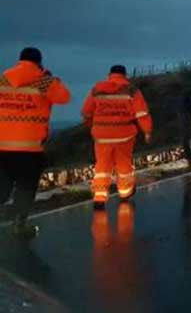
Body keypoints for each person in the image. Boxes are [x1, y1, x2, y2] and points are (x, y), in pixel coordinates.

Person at [0, 47, 71, 238]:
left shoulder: (3, 79)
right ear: (39, 62)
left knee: (2, 189)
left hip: (2, 147)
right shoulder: (44, 82)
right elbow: (64, 97)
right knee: (25, 187)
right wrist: (50, 78)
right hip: (29, 149)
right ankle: (19, 226)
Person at [82, 65, 152, 209]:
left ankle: (99, 197)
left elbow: (86, 112)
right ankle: (125, 193)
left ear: (109, 74)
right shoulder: (131, 90)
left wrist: (91, 127)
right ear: (125, 75)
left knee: (102, 165)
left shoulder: (97, 89)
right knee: (124, 164)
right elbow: (142, 113)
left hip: (102, 135)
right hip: (124, 134)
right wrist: (147, 131)